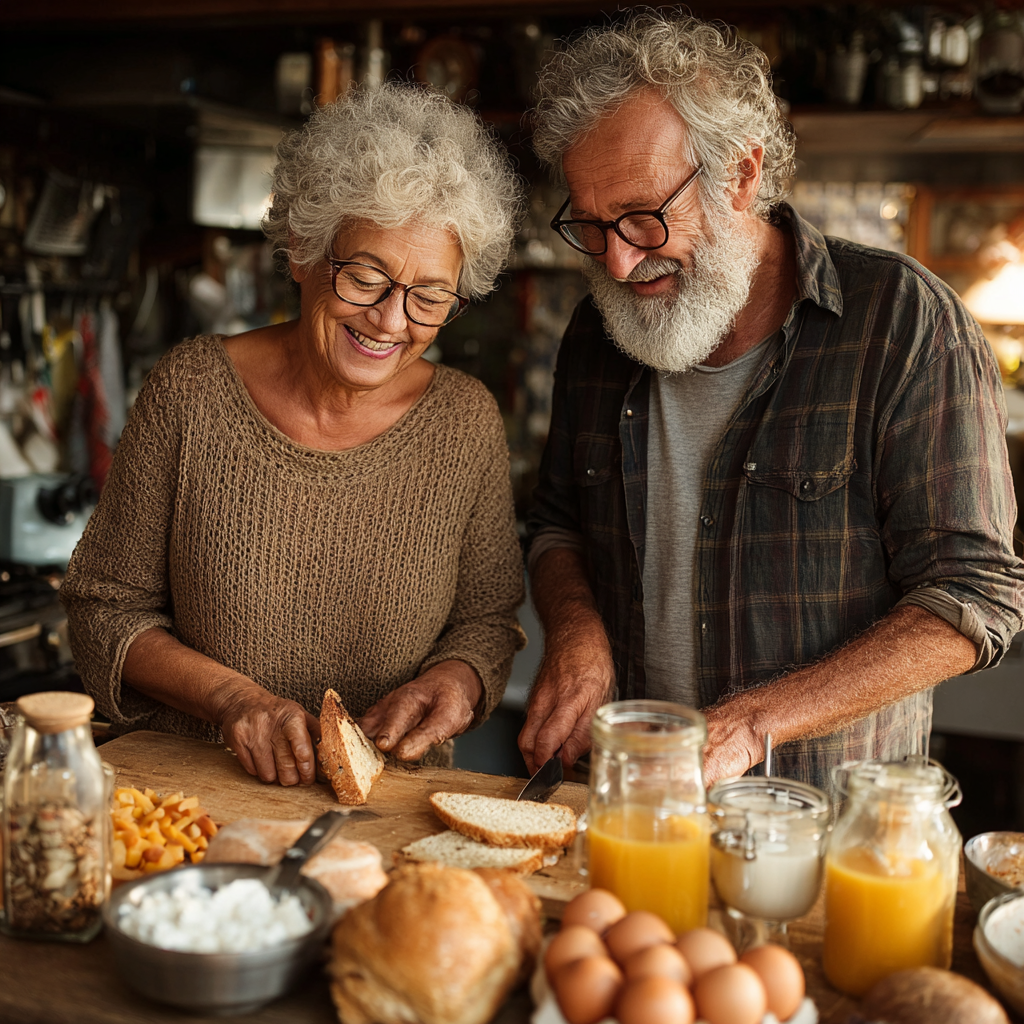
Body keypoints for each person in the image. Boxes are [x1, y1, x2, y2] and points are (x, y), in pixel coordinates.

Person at [520, 12, 1024, 792]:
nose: (618, 262)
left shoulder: (901, 322)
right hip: (630, 803)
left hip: (823, 824)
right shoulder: (597, 331)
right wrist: (578, 630)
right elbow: (556, 522)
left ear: (742, 176)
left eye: (644, 218)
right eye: (590, 226)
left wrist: (755, 723)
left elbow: (975, 596)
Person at [61, 83, 527, 786]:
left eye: (430, 295)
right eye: (366, 277)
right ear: (305, 254)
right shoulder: (192, 392)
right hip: (191, 804)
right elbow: (104, 611)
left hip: (386, 810)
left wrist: (458, 681)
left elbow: (487, 621)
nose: (391, 321)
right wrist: (232, 701)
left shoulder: (464, 423)